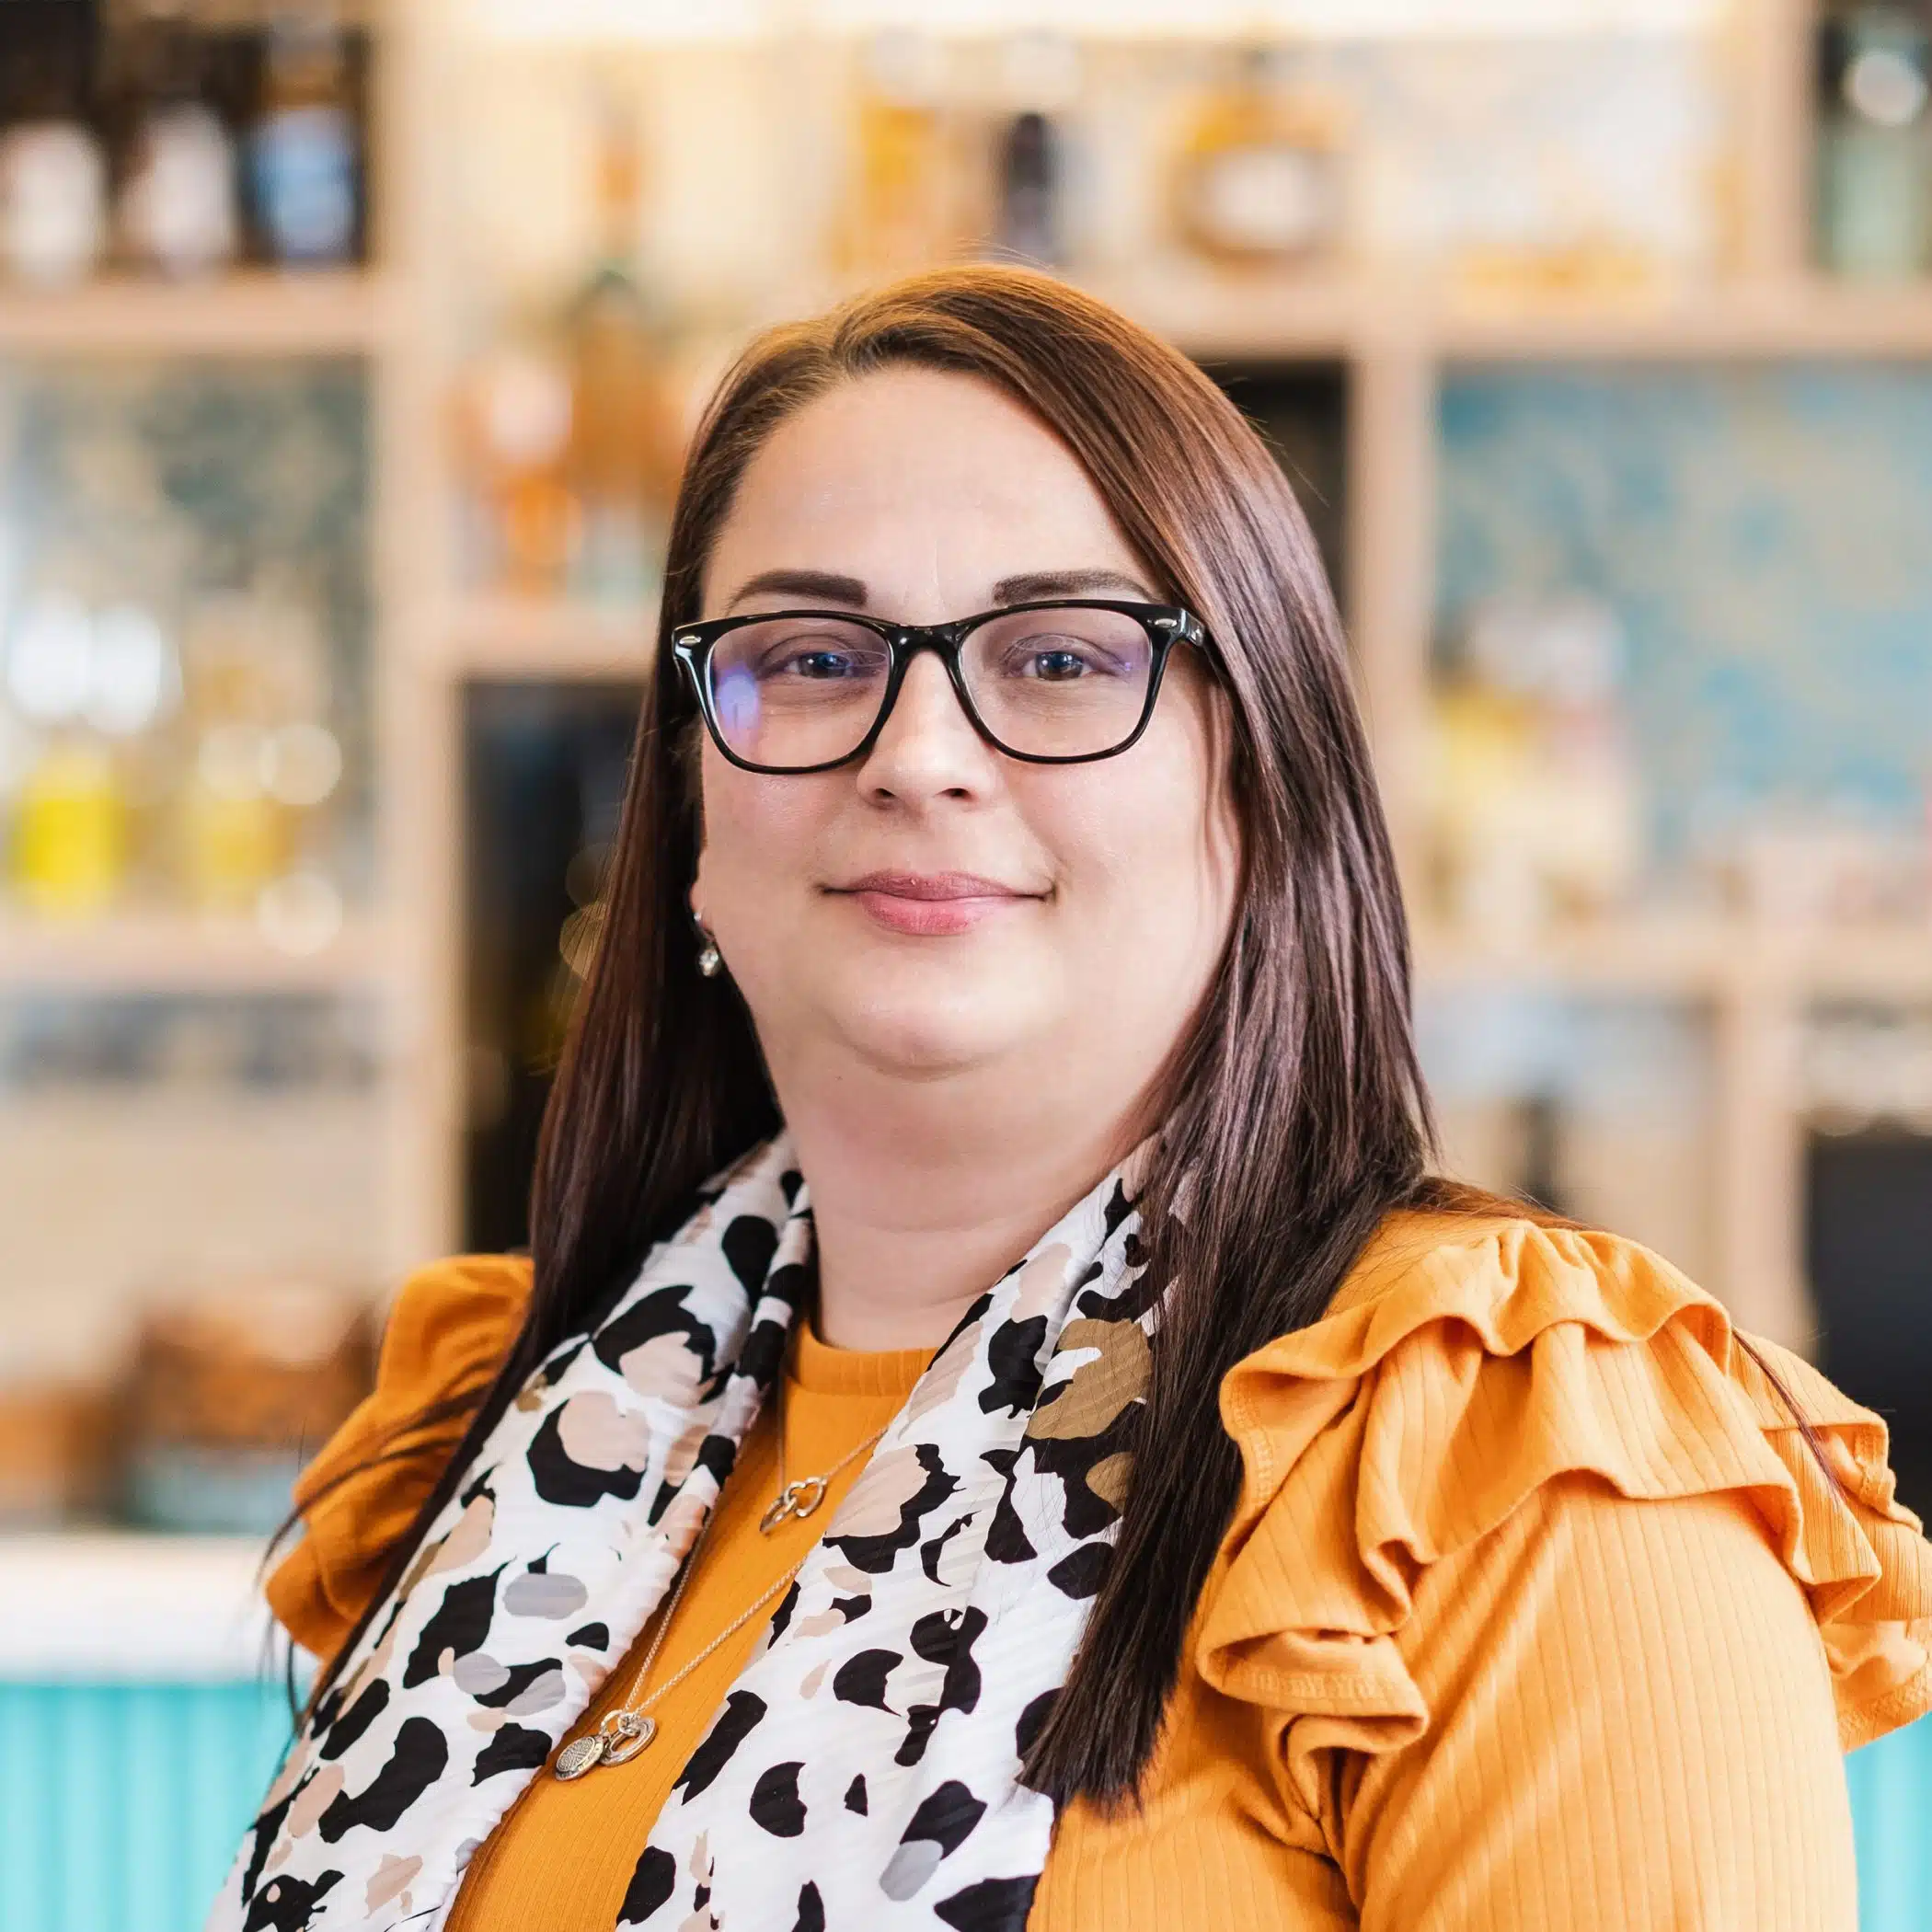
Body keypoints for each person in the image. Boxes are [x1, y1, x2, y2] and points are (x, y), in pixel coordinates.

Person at [211, 268, 1931, 1932]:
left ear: (1259, 777)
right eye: (811, 657)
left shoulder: (1513, 1470)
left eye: (1060, 660)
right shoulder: (523, 1429)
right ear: (688, 813)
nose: (918, 754)